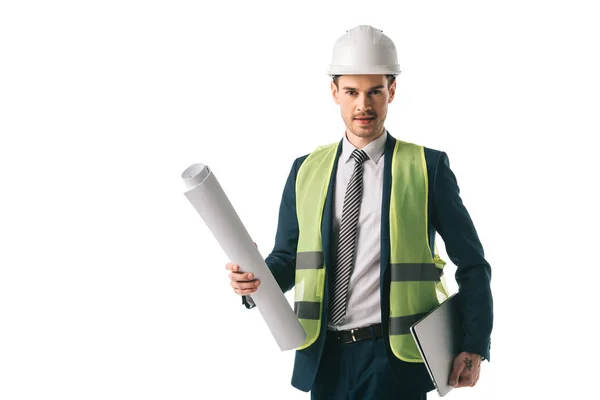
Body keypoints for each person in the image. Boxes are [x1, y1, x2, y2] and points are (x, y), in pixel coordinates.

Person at [225, 25, 493, 400]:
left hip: (396, 359)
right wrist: (256, 281)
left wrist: (475, 343)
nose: (362, 105)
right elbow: (288, 259)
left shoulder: (427, 167)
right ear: (334, 92)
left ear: (392, 91)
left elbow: (473, 263)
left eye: (374, 91)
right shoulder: (305, 170)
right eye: (351, 92)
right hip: (324, 356)